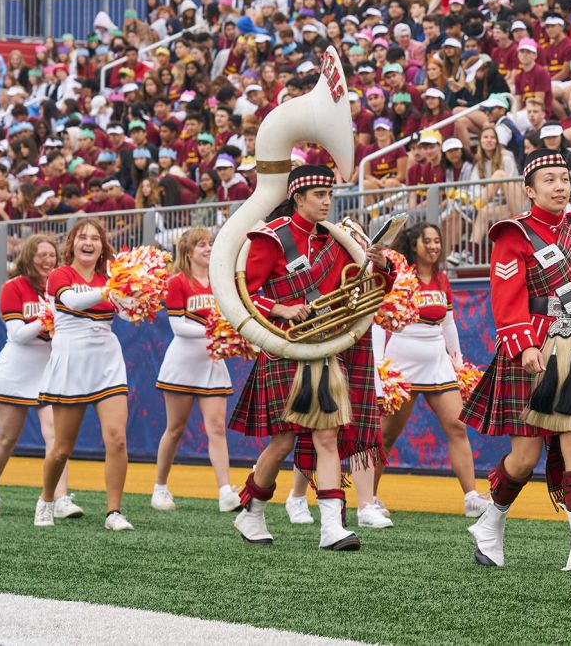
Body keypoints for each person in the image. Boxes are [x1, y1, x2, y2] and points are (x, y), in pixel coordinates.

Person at [461, 149, 571, 573]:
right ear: (529, 190)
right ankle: (491, 523)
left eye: (565, 179)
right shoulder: (513, 234)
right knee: (526, 457)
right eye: (549, 180)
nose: (560, 187)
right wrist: (523, 344)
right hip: (532, 343)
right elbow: (506, 295)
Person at [230, 165, 393, 548]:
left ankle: (331, 527)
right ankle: (251, 509)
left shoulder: (338, 240)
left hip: (325, 346)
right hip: (288, 346)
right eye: (318, 195)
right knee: (284, 441)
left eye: (329, 195)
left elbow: (368, 288)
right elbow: (243, 294)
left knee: (327, 435)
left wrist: (380, 265)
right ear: (297, 198)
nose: (326, 202)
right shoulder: (270, 238)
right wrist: (280, 308)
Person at [374, 223, 490, 517]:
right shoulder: (401, 275)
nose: (434, 246)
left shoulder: (440, 278)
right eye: (427, 241)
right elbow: (379, 318)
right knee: (386, 435)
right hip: (403, 356)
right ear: (414, 245)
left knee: (458, 426)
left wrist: (457, 360)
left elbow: (449, 322)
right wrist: (379, 366)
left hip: (436, 357)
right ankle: (369, 499)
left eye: (438, 241)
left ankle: (471, 497)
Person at [35, 219, 133, 532]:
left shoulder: (110, 278)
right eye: (82, 237)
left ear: (103, 246)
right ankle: (47, 498)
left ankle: (113, 512)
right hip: (71, 361)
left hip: (107, 360)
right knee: (62, 447)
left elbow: (130, 312)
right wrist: (108, 289)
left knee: (116, 438)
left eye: (95, 238)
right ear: (72, 244)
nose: (88, 242)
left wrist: (133, 291)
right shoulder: (60, 275)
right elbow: (73, 301)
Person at [0, 234, 82, 521]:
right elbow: (17, 335)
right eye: (41, 255)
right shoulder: (14, 287)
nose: (48, 260)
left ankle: (59, 498)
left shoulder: (61, 286)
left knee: (56, 437)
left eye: (51, 255)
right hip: (17, 368)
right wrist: (45, 317)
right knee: (7, 438)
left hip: (50, 368)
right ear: (28, 257)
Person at [151, 227, 240, 514]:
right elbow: (178, 327)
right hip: (183, 363)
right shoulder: (178, 282)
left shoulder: (220, 282)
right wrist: (216, 333)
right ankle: (160, 487)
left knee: (216, 428)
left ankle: (225, 491)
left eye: (211, 244)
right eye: (202, 244)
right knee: (175, 429)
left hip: (212, 361)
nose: (208, 248)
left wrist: (228, 335)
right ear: (188, 252)